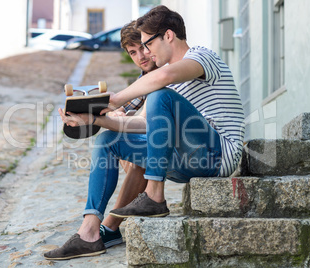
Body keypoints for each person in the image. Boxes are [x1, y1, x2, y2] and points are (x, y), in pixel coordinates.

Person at [45, 5, 244, 260]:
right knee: (108, 140)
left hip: (216, 156)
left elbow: (168, 74)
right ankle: (90, 232)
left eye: (148, 44)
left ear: (168, 36)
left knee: (160, 93)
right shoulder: (164, 87)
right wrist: (93, 119)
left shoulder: (202, 57)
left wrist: (116, 99)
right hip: (185, 163)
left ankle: (154, 195)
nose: (146, 53)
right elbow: (141, 126)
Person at [98, 20, 158, 249]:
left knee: (138, 157)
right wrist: (117, 110)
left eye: (143, 47)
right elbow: (129, 106)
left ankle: (111, 225)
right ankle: (138, 199)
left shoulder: (165, 72)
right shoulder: (144, 76)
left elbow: (144, 121)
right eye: (133, 52)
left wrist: (117, 116)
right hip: (158, 143)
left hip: (183, 147)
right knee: (117, 138)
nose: (140, 56)